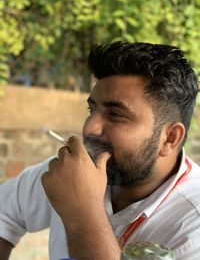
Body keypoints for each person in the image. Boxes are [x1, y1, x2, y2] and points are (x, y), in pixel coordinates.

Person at [0, 42, 200, 260]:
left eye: (116, 114)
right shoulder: (74, 173)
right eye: (92, 109)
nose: (89, 128)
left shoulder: (192, 225)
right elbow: (4, 213)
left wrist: (83, 212)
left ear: (169, 138)